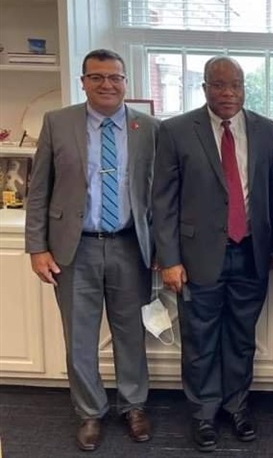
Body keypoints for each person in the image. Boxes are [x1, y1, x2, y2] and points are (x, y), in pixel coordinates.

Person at [25, 48, 158, 451]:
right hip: (74, 248)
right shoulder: (58, 123)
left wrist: (162, 249)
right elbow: (38, 190)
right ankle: (89, 411)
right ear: (83, 82)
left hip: (129, 247)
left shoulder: (149, 128)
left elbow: (159, 193)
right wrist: (37, 247)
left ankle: (133, 405)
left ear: (125, 83)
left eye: (115, 77)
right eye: (97, 77)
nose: (106, 84)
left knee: (130, 333)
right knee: (79, 337)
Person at [152, 56, 273, 452]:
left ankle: (237, 406)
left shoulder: (266, 129)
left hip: (251, 252)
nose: (228, 93)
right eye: (219, 85)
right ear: (205, 88)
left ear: (244, 88)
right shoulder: (176, 130)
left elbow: (272, 191)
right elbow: (163, 200)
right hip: (197, 256)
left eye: (235, 85)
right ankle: (203, 414)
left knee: (242, 337)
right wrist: (169, 259)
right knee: (200, 339)